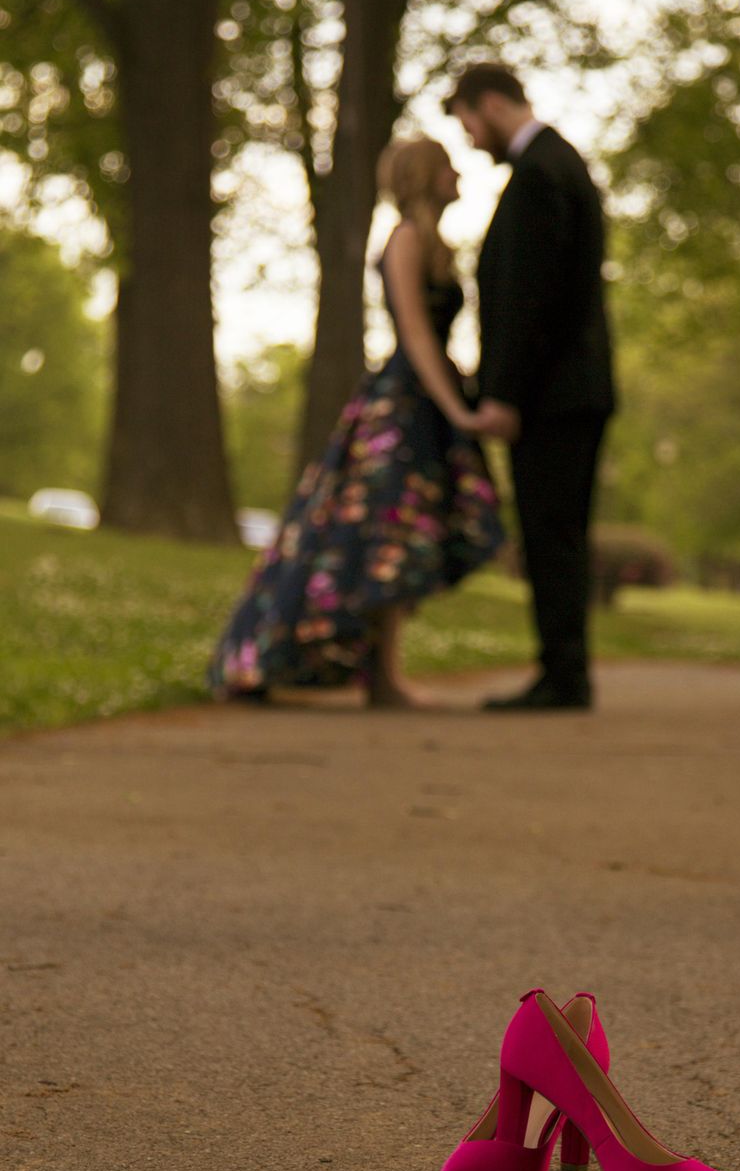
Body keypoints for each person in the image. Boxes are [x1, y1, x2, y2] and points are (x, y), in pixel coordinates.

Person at [208, 137, 504, 709]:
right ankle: (366, 675)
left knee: (399, 539)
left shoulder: (435, 244)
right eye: (447, 167)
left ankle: (383, 675)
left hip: (428, 402)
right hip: (403, 409)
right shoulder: (405, 240)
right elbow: (416, 338)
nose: (458, 176)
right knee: (376, 539)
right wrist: (458, 409)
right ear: (424, 176)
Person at [445, 64, 616, 711]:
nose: (468, 136)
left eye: (466, 120)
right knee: (556, 529)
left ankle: (563, 675)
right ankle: (563, 670)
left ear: (490, 104)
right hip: (570, 389)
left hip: (554, 394)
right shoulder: (556, 163)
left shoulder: (542, 173)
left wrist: (505, 395)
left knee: (552, 530)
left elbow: (532, 300)